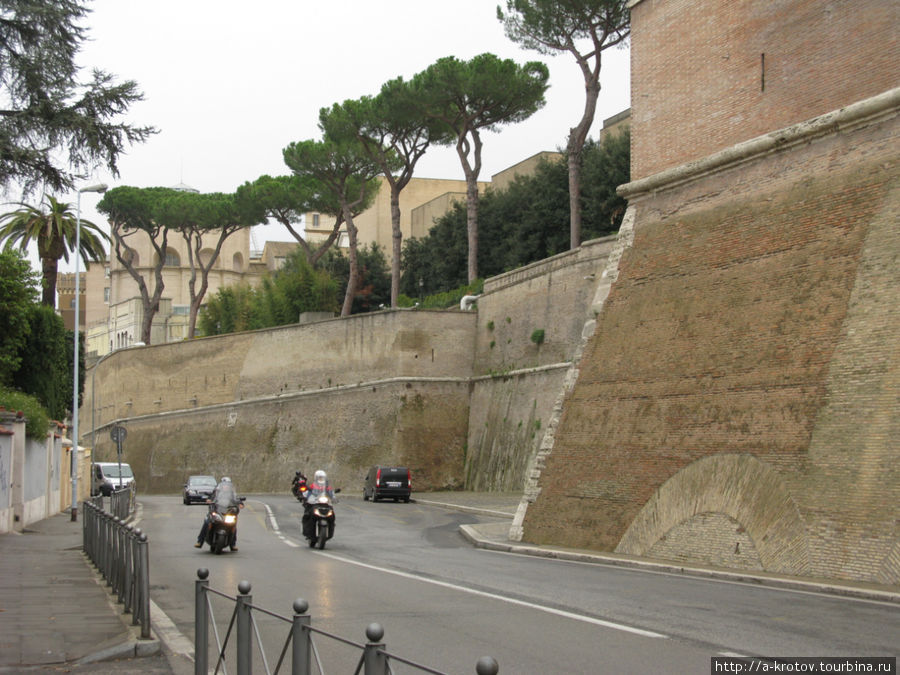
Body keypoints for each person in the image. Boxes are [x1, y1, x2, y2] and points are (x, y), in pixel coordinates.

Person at [195, 477, 243, 550]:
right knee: (207, 522)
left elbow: (237, 499)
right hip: (217, 511)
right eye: (224, 485)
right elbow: (211, 498)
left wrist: (240, 503)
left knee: (233, 525)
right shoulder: (216, 492)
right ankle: (200, 541)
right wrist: (209, 500)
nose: (226, 486)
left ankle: (232, 544)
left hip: (227, 512)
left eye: (227, 485)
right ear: (221, 485)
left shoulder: (232, 494)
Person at [302, 470, 334, 538]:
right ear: (316, 477)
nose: (321, 479)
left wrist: (334, 497)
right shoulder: (313, 485)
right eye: (319, 477)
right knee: (307, 514)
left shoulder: (327, 486)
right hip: (314, 503)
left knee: (332, 516)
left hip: (325, 503)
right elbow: (307, 492)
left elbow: (331, 493)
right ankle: (307, 531)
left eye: (322, 477)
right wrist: (306, 497)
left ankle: (331, 531)